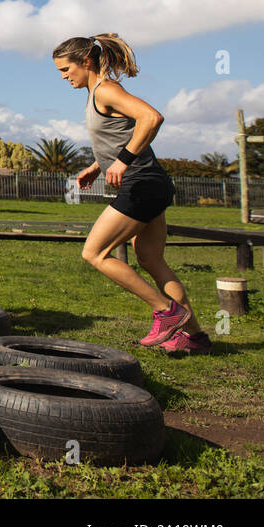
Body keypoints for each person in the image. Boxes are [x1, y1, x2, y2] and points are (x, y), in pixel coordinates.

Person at [54, 33, 211, 353]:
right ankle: (195, 337)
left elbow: (151, 117)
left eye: (66, 69)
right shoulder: (95, 92)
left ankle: (167, 312)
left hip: (142, 184)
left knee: (94, 253)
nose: (64, 76)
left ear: (86, 62)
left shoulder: (107, 90)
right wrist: (97, 166)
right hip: (151, 183)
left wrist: (123, 162)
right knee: (151, 258)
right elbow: (119, 135)